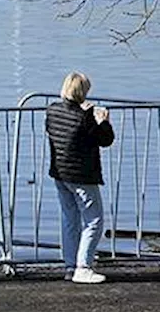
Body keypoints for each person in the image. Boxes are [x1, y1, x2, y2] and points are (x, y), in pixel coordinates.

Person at [46, 72, 115, 284]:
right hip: (81, 175)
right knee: (94, 220)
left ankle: (70, 265)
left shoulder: (52, 110)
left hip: (60, 173)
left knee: (70, 219)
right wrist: (103, 121)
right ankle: (83, 266)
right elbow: (105, 139)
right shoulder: (84, 117)